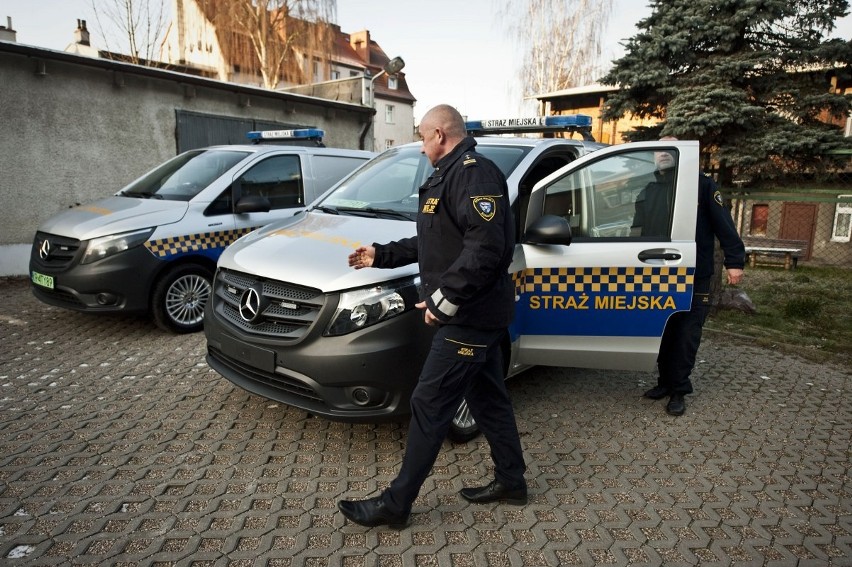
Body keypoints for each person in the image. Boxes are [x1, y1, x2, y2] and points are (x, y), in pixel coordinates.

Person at [337, 104, 527, 529]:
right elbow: (437, 240)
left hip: (470, 315)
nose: (422, 148)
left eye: (423, 137)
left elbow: (485, 249)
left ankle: (396, 504)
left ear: (440, 134)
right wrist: (381, 254)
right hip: (471, 312)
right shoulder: (451, 173)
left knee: (429, 400)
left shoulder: (474, 173)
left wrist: (445, 299)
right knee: (489, 399)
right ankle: (512, 481)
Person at [637, 137, 745, 416]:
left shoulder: (703, 186)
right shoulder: (649, 188)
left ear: (681, 155)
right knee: (663, 330)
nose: (662, 154)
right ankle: (664, 382)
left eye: (669, 150)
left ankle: (679, 390)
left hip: (692, 273)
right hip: (657, 273)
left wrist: (735, 261)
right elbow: (638, 232)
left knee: (686, 333)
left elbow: (725, 227)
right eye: (658, 150)